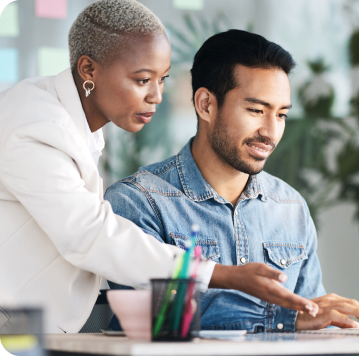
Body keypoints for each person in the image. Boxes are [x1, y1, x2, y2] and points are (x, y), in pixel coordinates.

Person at [0, 0, 316, 334]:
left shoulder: (290, 205)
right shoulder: (36, 126)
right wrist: (225, 275)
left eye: (162, 79)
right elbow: (89, 235)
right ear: (88, 70)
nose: (157, 96)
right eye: (141, 80)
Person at [105, 29, 359, 332]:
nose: (271, 131)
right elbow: (152, 320)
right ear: (206, 104)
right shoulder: (137, 201)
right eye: (256, 110)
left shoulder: (290, 207)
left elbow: (313, 321)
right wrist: (285, 318)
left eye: (281, 115)